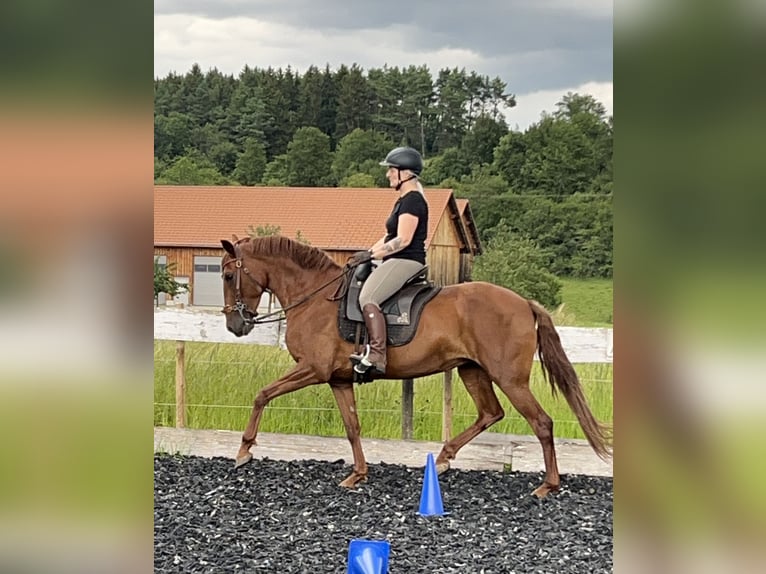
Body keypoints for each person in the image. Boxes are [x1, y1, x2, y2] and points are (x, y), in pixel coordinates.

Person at [348, 146, 429, 376]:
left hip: (407, 260)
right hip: (395, 258)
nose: (388, 174)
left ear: (405, 173)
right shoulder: (403, 201)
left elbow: (403, 240)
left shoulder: (413, 201)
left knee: (368, 296)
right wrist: (366, 252)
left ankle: (377, 354)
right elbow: (389, 236)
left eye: (391, 170)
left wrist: (373, 256)